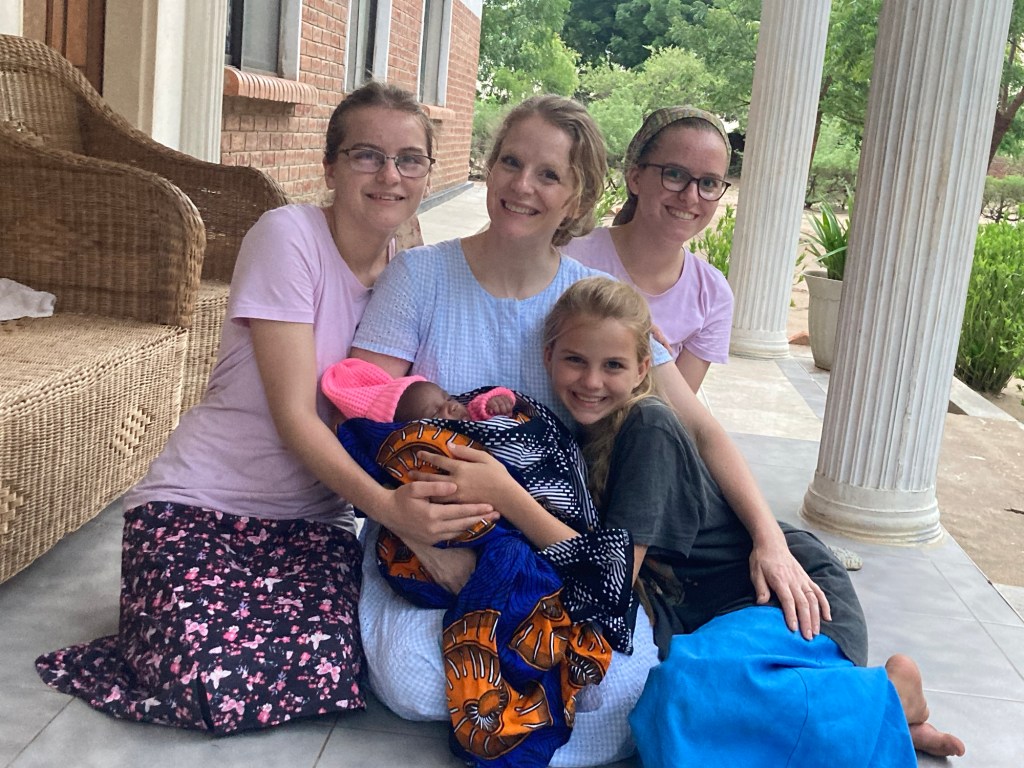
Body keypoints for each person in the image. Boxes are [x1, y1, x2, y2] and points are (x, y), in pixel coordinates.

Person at [347, 94, 830, 767]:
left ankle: (517, 724)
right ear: (489, 167)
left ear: (577, 195)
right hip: (428, 527)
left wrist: (770, 540)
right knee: (412, 681)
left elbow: (698, 429)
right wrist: (409, 529)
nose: (522, 186)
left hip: (562, 551)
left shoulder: (589, 300)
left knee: (625, 688)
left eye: (548, 174)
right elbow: (360, 410)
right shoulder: (418, 275)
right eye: (510, 163)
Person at [33, 81, 494, 734]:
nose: (389, 175)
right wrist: (393, 512)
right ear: (329, 167)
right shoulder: (288, 237)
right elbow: (296, 417)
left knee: (335, 670)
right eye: (366, 155)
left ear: (426, 173)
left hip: (312, 524)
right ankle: (165, 630)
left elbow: (392, 411)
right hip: (201, 502)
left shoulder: (408, 275)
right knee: (211, 681)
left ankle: (173, 626)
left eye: (409, 159)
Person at [539, 275, 966, 765]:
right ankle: (879, 714)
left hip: (779, 595)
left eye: (612, 365)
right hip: (711, 618)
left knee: (681, 695)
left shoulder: (648, 425)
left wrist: (504, 496)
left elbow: (612, 580)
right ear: (549, 356)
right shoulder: (577, 435)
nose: (592, 382)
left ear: (642, 368)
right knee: (689, 712)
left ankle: (891, 695)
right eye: (576, 360)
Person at [323, 357, 635, 768]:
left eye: (446, 399)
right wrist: (423, 542)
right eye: (434, 411)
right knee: (408, 677)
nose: (448, 408)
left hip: (537, 526)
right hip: (440, 537)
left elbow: (505, 418)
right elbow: (367, 447)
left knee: (626, 689)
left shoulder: (476, 412)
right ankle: (521, 694)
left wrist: (496, 408)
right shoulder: (417, 434)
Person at [562, 106, 734, 392]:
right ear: (635, 178)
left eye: (708, 183)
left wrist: (656, 363)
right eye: (675, 175)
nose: (691, 197)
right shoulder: (568, 255)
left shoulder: (712, 294)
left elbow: (674, 409)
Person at [321, 356, 516, 423]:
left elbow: (477, 407)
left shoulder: (469, 417)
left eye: (448, 398)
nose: (452, 407)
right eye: (434, 413)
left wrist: (492, 404)